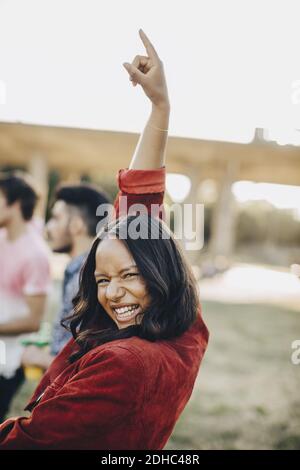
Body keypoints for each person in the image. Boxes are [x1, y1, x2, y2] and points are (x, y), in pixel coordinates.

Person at [0, 29, 209, 450]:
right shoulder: (185, 333)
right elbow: (140, 206)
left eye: (128, 275)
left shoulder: (123, 361)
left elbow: (29, 441)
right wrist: (160, 108)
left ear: (159, 272)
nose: (111, 294)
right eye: (100, 280)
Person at [21, 182, 111, 371]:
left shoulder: (86, 276)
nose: (48, 227)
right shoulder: (83, 269)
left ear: (76, 225)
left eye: (55, 218)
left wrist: (40, 358)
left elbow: (82, 360)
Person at [0, 172, 51, 422]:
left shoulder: (35, 255)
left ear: (16, 203)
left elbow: (33, 320)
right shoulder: (1, 238)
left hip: (10, 357)